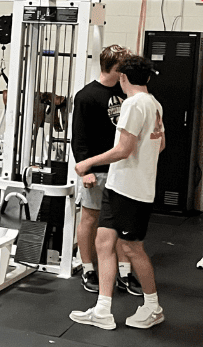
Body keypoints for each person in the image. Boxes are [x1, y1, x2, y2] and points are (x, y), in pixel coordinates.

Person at [70, 55, 165, 330]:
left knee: (132, 249)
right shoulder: (154, 103)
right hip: (120, 185)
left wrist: (87, 162)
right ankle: (102, 309)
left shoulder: (133, 104)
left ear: (123, 78)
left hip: (131, 189)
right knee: (103, 242)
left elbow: (124, 149)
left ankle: (152, 306)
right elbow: (160, 145)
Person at [71, 45, 141, 296]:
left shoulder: (128, 94)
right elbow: (78, 138)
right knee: (90, 218)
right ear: (115, 69)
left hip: (122, 169)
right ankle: (88, 268)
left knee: (122, 222)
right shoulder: (86, 96)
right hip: (96, 169)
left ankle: (123, 273)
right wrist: (85, 170)